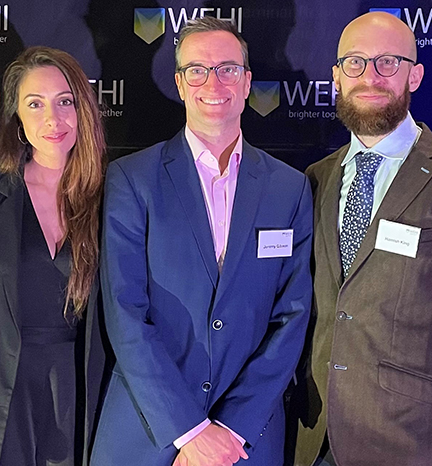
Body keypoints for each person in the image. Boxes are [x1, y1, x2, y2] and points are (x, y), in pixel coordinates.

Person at [286, 12, 432, 466]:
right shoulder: (315, 179)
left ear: (416, 74)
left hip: (413, 444)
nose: (370, 76)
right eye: (355, 63)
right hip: (315, 438)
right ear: (336, 76)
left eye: (388, 62)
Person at [90, 16, 313, 466]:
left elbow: (292, 317)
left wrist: (231, 428)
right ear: (179, 83)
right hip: (147, 433)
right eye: (197, 70)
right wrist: (189, 431)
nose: (214, 82)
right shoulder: (133, 180)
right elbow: (124, 312)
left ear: (248, 82)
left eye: (228, 69)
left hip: (245, 442)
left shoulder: (289, 188)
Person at [0, 46, 108, 466]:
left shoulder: (115, 194)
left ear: (83, 109)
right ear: (17, 118)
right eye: (35, 104)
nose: (52, 119)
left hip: (80, 389)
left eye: (65, 101)